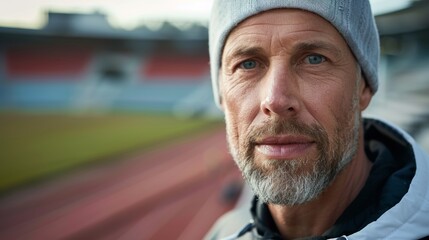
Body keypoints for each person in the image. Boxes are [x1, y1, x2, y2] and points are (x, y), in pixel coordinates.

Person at [205, 1, 429, 239]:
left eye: (314, 59)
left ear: (364, 85)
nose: (276, 100)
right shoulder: (222, 233)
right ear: (220, 92)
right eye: (247, 64)